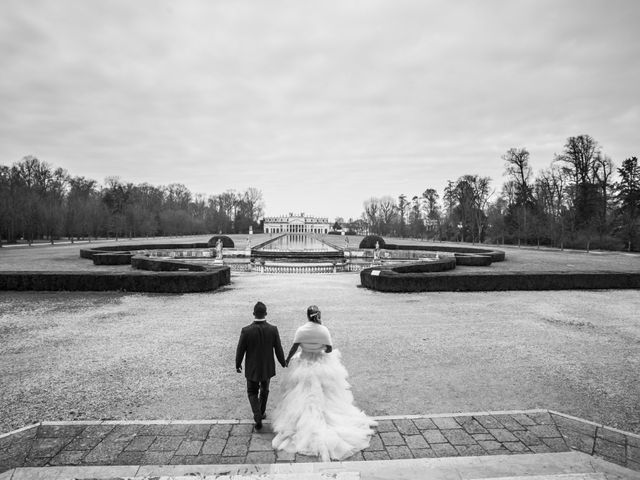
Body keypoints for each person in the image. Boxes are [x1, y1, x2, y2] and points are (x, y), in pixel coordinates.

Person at [271, 305, 377, 461]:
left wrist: (288, 359)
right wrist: (318, 347)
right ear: (318, 315)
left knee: (301, 395)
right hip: (321, 365)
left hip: (304, 364)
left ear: (307, 315)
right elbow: (328, 350)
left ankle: (301, 424)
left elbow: (294, 347)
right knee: (328, 396)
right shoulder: (323, 330)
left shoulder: (301, 330)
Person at [235, 301, 286, 430]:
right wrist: (283, 362)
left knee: (252, 391)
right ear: (266, 313)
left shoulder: (246, 331)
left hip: (252, 368)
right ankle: (261, 412)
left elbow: (240, 349)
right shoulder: (273, 329)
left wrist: (238, 363)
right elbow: (278, 349)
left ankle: (257, 414)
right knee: (264, 390)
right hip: (267, 367)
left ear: (253, 313)